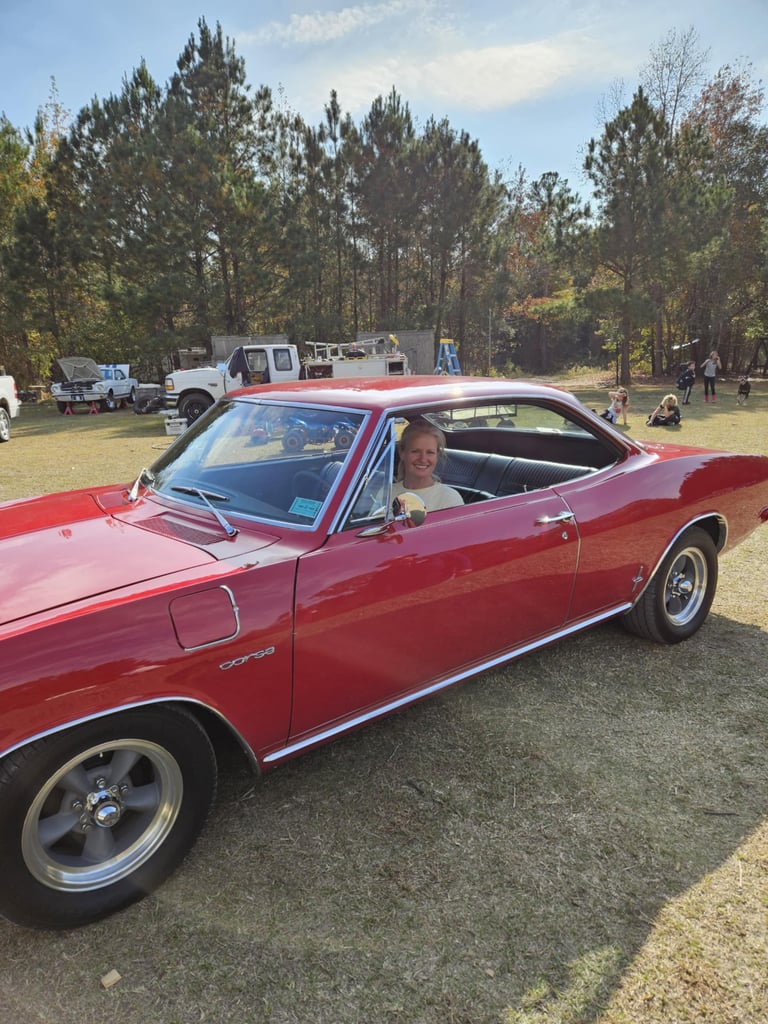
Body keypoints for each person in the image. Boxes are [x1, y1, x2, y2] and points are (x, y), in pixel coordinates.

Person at [392, 419, 464, 512]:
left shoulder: (450, 499)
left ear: (437, 455)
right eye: (415, 451)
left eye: (430, 452)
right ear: (402, 453)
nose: (422, 459)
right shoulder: (387, 493)